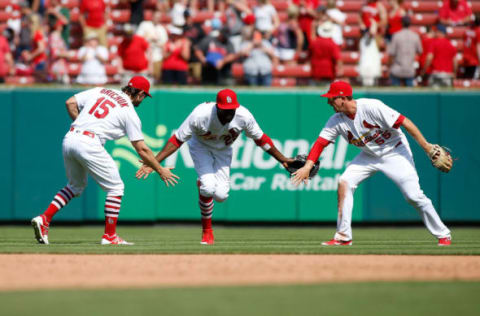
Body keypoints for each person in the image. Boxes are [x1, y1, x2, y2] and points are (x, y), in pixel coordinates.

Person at [292, 81, 452, 247]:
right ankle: (343, 236)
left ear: (343, 98)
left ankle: (443, 234)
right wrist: (307, 166)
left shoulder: (371, 106)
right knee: (344, 182)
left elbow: (405, 122)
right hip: (368, 156)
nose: (329, 102)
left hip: (395, 152)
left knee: (413, 196)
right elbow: (320, 143)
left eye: (332, 98)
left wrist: (426, 147)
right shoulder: (336, 120)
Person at [31, 76, 179, 246]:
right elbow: (142, 149)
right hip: (89, 143)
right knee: (116, 187)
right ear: (138, 94)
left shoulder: (101, 90)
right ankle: (109, 236)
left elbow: (70, 103)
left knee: (75, 186)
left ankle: (44, 218)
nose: (143, 99)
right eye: (144, 95)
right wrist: (160, 170)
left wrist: (83, 125)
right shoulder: (129, 111)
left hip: (70, 137)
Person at [136, 89, 294, 245]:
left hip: (223, 150)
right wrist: (153, 163)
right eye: (225, 110)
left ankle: (203, 184)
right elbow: (177, 140)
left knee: (221, 195)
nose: (228, 114)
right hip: (201, 147)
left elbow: (261, 139)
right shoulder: (200, 115)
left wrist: (282, 160)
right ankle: (207, 231)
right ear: (217, 107)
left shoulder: (243, 115)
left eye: (231, 110)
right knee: (208, 187)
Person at [387, 16, 422, 86]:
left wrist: (389, 66)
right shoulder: (415, 36)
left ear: (402, 23)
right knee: (410, 96)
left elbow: (391, 54)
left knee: (395, 93)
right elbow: (420, 51)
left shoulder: (396, 35)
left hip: (397, 69)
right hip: (409, 69)